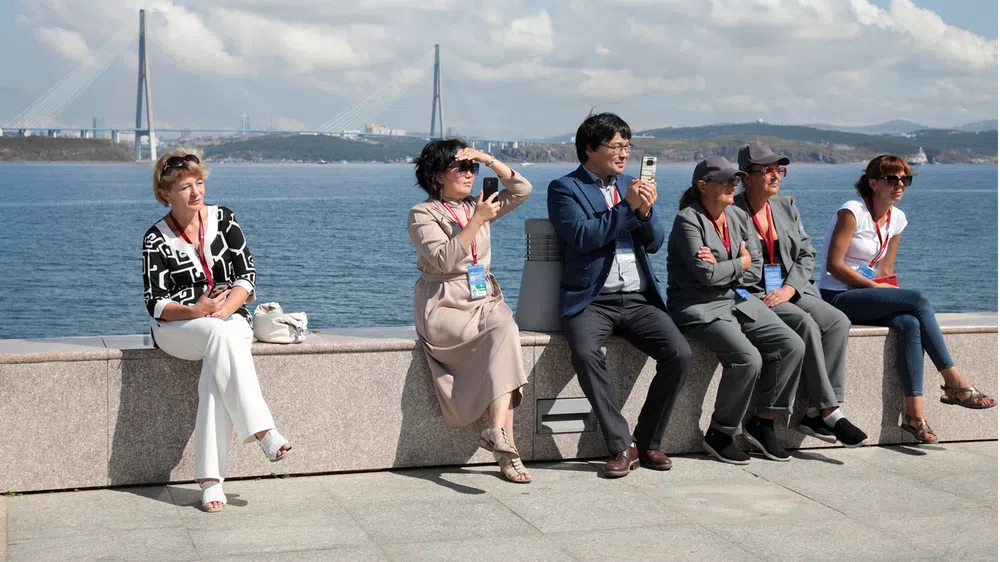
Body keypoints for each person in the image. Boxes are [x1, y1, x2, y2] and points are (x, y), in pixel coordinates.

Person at [142, 149, 291, 513]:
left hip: (229, 317)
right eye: (185, 187)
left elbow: (246, 276)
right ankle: (263, 431)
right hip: (178, 327)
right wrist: (197, 311)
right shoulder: (155, 238)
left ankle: (211, 480)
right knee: (219, 337)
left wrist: (223, 309)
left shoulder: (224, 219)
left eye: (199, 183)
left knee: (217, 365)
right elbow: (155, 303)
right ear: (165, 193)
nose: (196, 192)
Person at [547, 113, 692, 478]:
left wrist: (645, 212)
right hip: (591, 301)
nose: (624, 153)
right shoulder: (564, 189)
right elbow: (583, 236)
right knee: (585, 353)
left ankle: (648, 441)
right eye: (616, 146)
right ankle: (620, 445)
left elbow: (655, 243)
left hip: (638, 298)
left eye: (627, 146)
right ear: (589, 149)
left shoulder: (632, 184)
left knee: (680, 354)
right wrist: (627, 208)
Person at [819, 154, 996, 443]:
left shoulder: (898, 219)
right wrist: (876, 289)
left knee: (909, 322)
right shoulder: (852, 211)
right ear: (873, 183)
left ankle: (914, 415)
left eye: (905, 179)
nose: (900, 184)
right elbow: (834, 265)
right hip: (838, 296)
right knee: (919, 299)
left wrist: (887, 292)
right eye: (892, 179)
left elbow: (885, 270)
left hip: (868, 294)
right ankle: (953, 380)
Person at [407, 139, 534, 483]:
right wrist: (476, 220)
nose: (469, 174)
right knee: (502, 342)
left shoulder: (478, 204)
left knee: (505, 329)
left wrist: (488, 159)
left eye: (472, 167)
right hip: (445, 303)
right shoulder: (423, 214)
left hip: (483, 298)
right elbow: (443, 260)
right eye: (461, 167)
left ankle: (497, 432)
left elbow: (522, 189)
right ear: (437, 175)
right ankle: (508, 451)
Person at [666, 156, 804, 464]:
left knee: (791, 344)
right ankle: (721, 432)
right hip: (699, 305)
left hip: (737, 298)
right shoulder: (688, 220)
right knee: (747, 358)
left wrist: (726, 266)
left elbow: (754, 269)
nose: (733, 185)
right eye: (725, 180)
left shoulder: (737, 216)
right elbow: (705, 276)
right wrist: (739, 262)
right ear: (703, 186)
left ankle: (764, 422)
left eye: (735, 180)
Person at [734, 142, 868, 447]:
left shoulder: (786, 206)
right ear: (746, 177)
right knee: (805, 324)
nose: (775, 175)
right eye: (766, 170)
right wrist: (776, 292)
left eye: (778, 169)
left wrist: (790, 287)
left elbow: (807, 252)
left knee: (837, 321)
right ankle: (830, 411)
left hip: (791, 288)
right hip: (756, 294)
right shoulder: (732, 212)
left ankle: (816, 413)